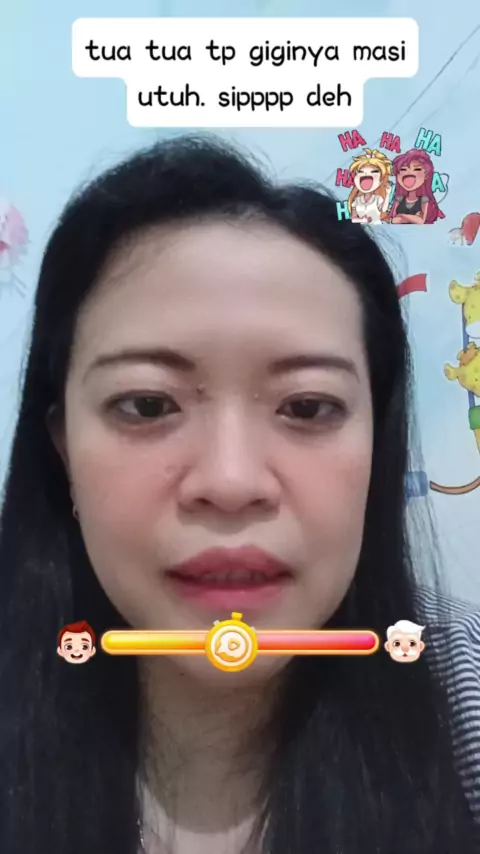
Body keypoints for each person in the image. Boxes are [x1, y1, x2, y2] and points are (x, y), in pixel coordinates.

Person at [0, 135, 478, 854]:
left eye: (308, 407)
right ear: (63, 448)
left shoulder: (462, 687)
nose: (231, 483)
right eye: (148, 405)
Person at [389, 148, 445, 224]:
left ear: (426, 175)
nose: (409, 173)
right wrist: (414, 217)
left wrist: (402, 215)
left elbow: (421, 221)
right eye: (403, 169)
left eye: (417, 169)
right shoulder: (399, 199)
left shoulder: (424, 200)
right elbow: (394, 220)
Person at [347, 148, 393, 225]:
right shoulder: (357, 200)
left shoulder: (378, 198)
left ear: (381, 180)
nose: (365, 174)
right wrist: (363, 220)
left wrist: (388, 194)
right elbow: (353, 219)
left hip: (376, 228)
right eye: (360, 172)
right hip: (361, 228)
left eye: (374, 172)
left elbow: (384, 209)